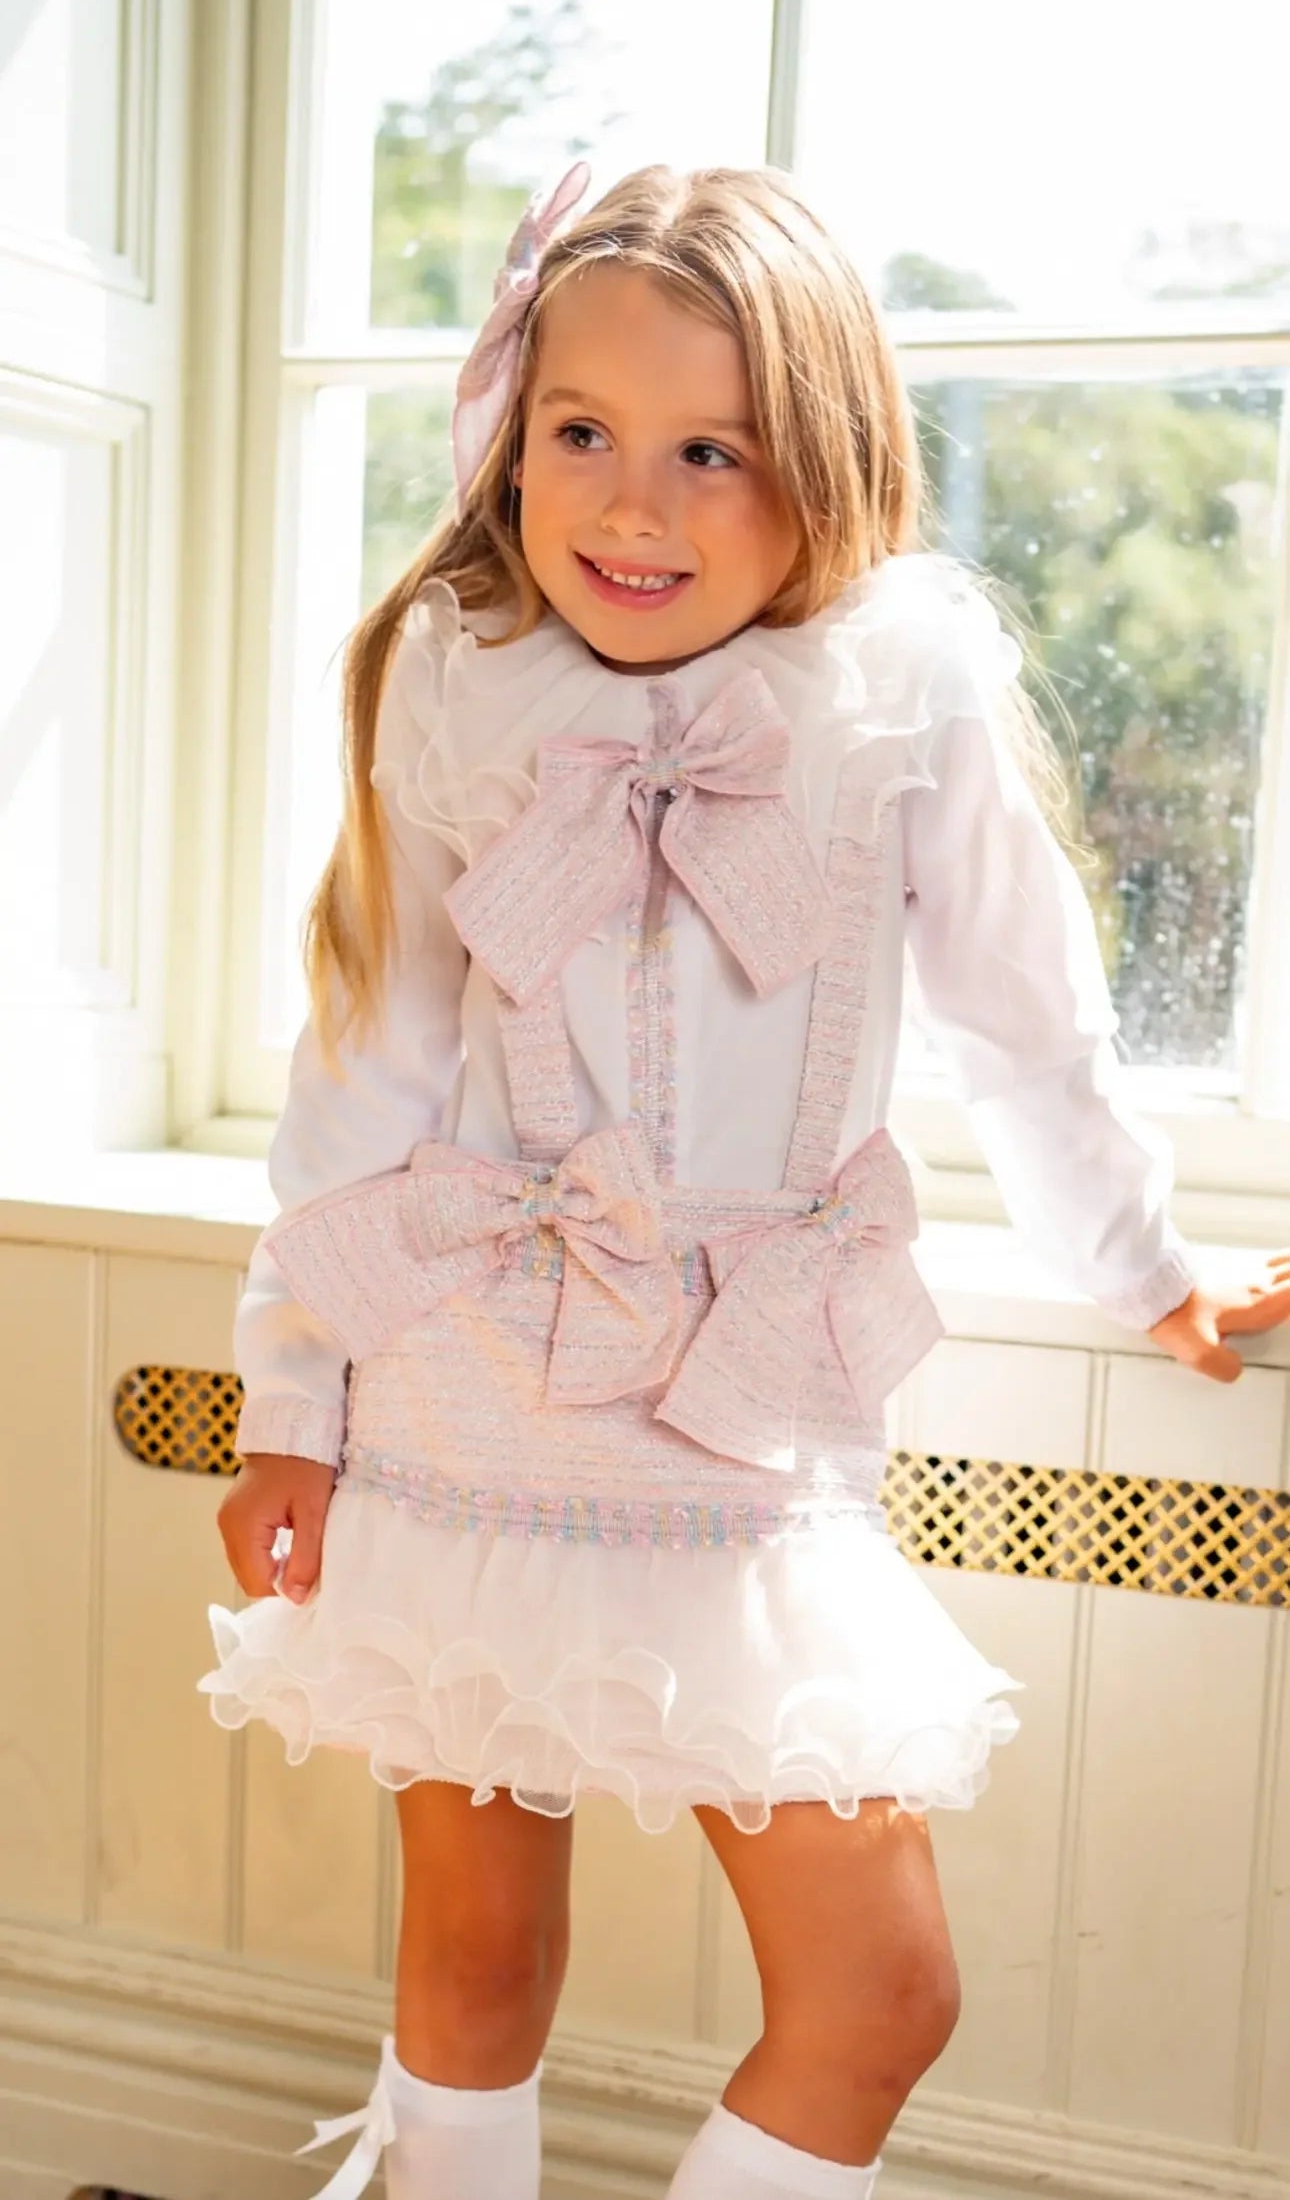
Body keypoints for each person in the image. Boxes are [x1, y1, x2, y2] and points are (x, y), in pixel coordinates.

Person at [198, 160, 1290, 2200]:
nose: (634, 507)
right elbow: (368, 1063)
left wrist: (1151, 1269)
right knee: (476, 1948)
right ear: (510, 435)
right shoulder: (462, 688)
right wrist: (292, 1403)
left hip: (741, 1403)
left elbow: (1026, 1031)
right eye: (582, 436)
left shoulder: (897, 710)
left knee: (878, 1991)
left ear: (831, 464)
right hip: (465, 1381)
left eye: (715, 453)